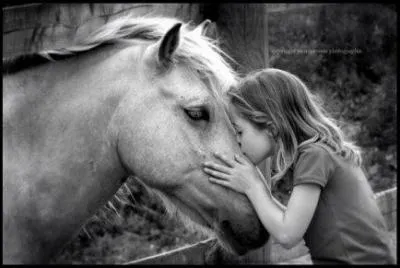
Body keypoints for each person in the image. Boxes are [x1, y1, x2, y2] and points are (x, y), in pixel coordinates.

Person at [203, 68, 395, 264]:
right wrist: (255, 186)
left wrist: (253, 186)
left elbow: (287, 235)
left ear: (270, 127)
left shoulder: (314, 156)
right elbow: (290, 221)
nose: (237, 141)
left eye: (239, 131)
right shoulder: (321, 152)